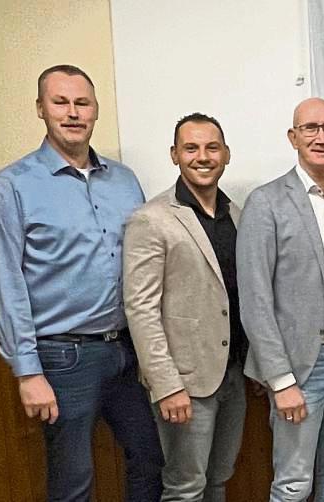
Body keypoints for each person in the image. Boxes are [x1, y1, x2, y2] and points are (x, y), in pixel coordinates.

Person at [0, 64, 163, 501]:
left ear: (96, 110)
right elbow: (5, 285)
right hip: (63, 357)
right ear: (40, 109)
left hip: (125, 352)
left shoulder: (124, 180)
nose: (73, 112)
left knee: (150, 460)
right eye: (60, 102)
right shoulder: (10, 188)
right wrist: (27, 372)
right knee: (73, 480)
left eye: (82, 103)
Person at [236, 98, 324, 501]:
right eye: (310, 128)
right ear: (293, 138)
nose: (320, 137)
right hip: (300, 368)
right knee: (294, 482)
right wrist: (280, 381)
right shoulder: (266, 203)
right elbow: (255, 299)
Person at [124, 113, 248, 501]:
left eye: (212, 147)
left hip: (234, 376)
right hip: (186, 383)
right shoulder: (152, 219)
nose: (203, 157)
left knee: (218, 478)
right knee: (184, 486)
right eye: (191, 148)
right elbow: (140, 309)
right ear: (174, 155)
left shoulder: (237, 215)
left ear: (226, 154)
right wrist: (166, 386)